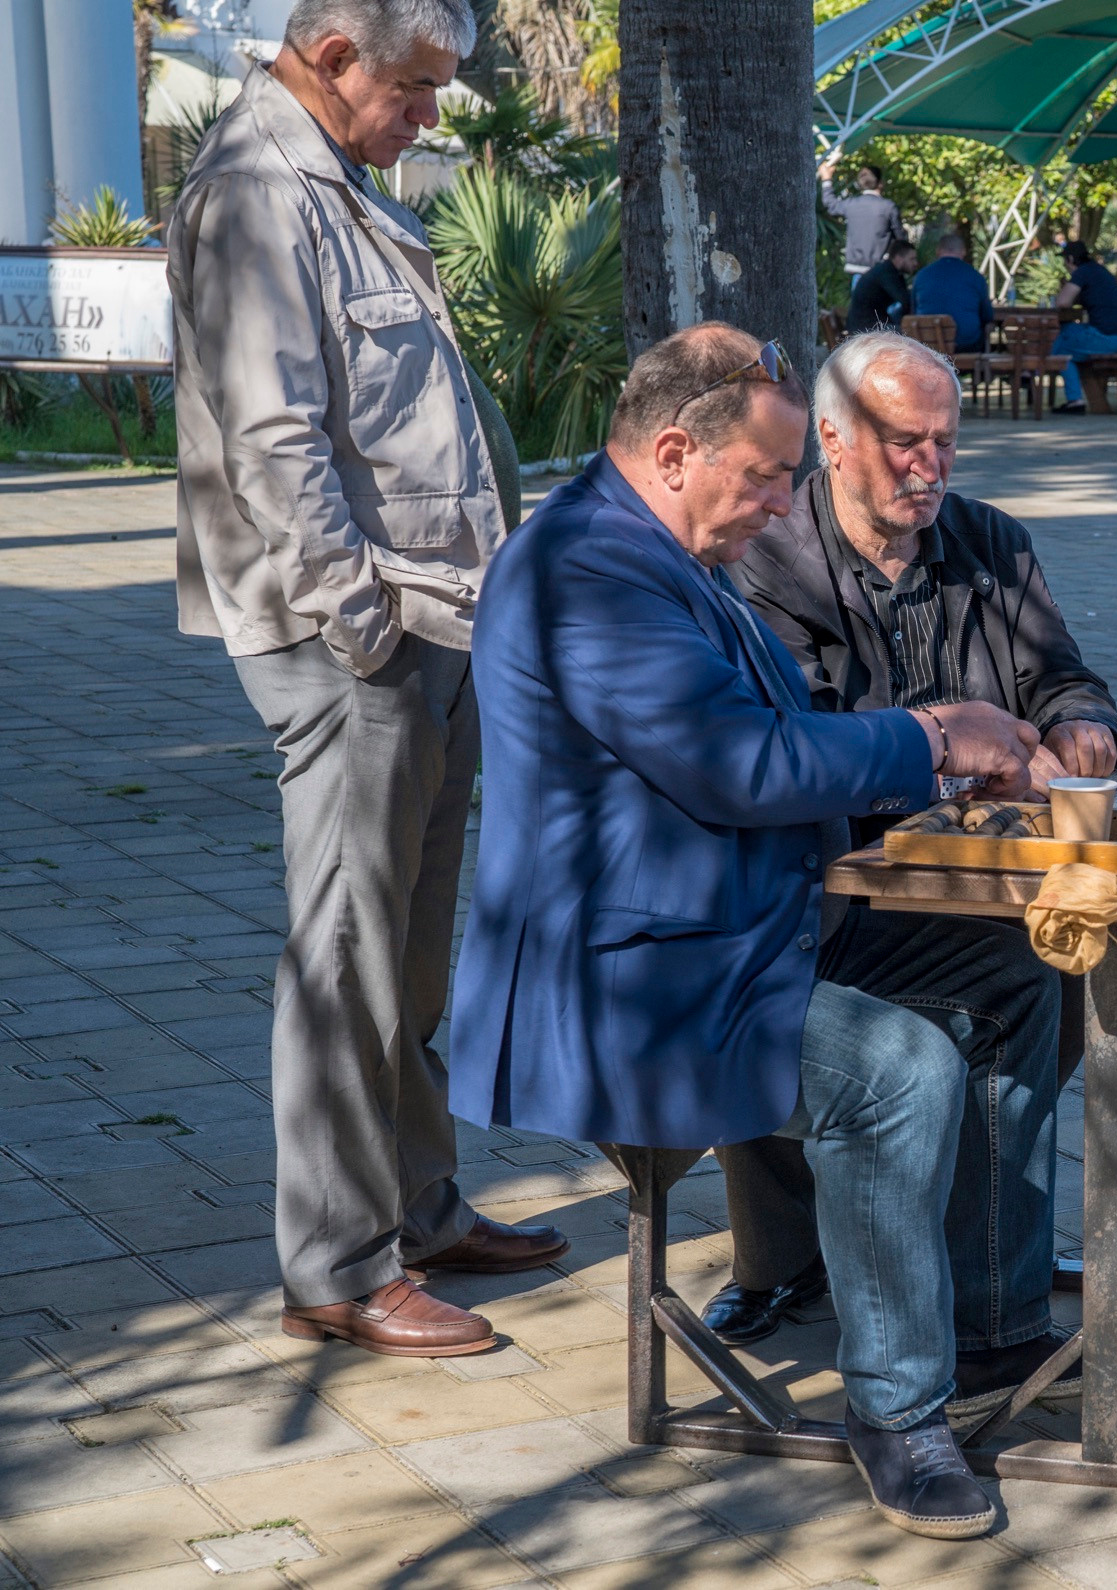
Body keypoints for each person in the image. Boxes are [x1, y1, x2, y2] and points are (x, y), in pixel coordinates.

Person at [448, 322, 1065, 1539]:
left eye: (788, 476)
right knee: (895, 1070)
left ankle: (991, 1324)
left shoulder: (654, 542)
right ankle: (896, 1411)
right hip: (628, 982)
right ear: (674, 451)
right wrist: (936, 738)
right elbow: (734, 764)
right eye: (767, 478)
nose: (785, 503)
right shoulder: (585, 566)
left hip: (734, 934)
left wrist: (939, 763)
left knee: (1014, 965)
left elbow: (779, 743)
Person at [165, 0, 566, 1360]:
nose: (434, 112)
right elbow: (275, 438)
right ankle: (337, 1267)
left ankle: (419, 1202)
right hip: (360, 633)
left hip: (432, 620)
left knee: (409, 947)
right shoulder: (258, 186)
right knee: (348, 954)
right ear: (334, 57)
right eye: (416, 84)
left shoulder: (337, 177)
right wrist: (358, 623)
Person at [709, 330, 1117, 1359]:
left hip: (978, 877)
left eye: (943, 442)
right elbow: (804, 752)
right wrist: (958, 749)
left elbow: (1065, 680)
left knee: (1065, 959)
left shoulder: (990, 542)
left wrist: (1080, 729)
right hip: (821, 886)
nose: (927, 467)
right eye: (904, 443)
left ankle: (985, 1291)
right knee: (892, 1000)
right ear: (833, 442)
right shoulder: (766, 559)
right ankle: (791, 1262)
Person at [1049, 240, 1117, 413]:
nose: (1065, 265)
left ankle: (1032, 371)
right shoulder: (1099, 270)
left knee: (1065, 339)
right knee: (1066, 342)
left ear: (1071, 259)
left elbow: (1062, 302)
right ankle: (1074, 401)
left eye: (1065, 261)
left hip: (1107, 339)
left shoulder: (1082, 273)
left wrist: (1066, 286)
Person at [819, 153, 907, 285]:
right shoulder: (888, 207)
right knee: (881, 305)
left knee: (862, 304)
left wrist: (826, 179)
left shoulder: (851, 205)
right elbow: (900, 238)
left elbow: (830, 204)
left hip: (856, 268)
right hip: (880, 269)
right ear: (880, 183)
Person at [910, 233, 994, 352]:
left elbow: (913, 310)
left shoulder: (921, 276)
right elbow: (987, 315)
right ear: (963, 252)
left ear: (938, 251)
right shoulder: (975, 276)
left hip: (928, 346)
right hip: (966, 345)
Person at [848, 240, 917, 335]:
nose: (915, 263)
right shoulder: (887, 273)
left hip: (865, 325)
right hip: (866, 329)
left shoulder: (886, 270)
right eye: (912, 259)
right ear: (898, 258)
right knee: (913, 333)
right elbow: (905, 300)